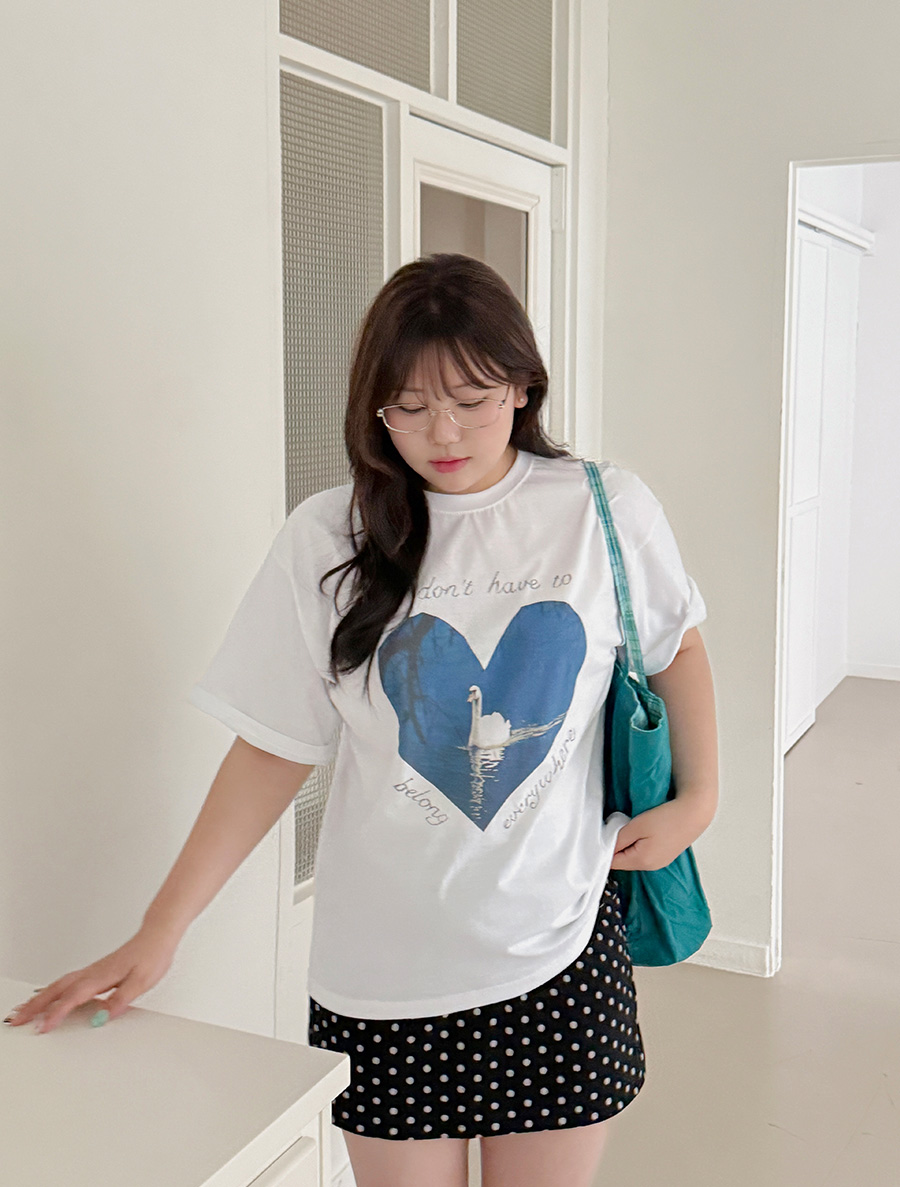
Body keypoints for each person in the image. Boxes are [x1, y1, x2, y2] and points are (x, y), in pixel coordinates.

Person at [5, 254, 718, 1187]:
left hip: (560, 947)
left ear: (522, 384)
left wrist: (701, 797)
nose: (443, 432)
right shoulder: (329, 538)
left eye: (470, 398)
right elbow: (272, 747)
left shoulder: (602, 509)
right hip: (383, 974)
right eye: (407, 406)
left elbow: (675, 648)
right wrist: (160, 928)